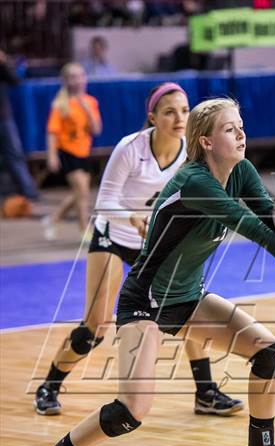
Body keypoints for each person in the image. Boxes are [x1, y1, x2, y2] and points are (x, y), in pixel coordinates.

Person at [27, 97, 275, 446]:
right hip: (146, 302)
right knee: (131, 411)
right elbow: (258, 235)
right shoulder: (195, 182)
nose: (241, 133)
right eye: (230, 129)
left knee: (269, 352)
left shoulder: (241, 172)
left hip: (187, 298)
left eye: (241, 125)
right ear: (206, 142)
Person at [35, 82, 243, 418]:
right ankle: (51, 383)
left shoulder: (192, 156)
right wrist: (132, 217)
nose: (179, 118)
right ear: (152, 117)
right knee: (97, 326)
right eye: (170, 112)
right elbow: (103, 203)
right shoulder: (131, 148)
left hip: (154, 242)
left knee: (187, 306)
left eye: (185, 110)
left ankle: (205, 392)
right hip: (114, 236)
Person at [42, 62, 102, 240]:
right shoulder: (60, 104)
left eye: (81, 76)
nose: (78, 80)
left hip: (83, 152)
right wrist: (52, 155)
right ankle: (85, 229)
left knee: (80, 192)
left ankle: (54, 219)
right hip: (67, 151)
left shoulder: (91, 102)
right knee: (82, 191)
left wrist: (87, 109)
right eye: (73, 77)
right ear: (66, 81)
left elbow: (96, 129)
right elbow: (52, 133)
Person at [0, 49, 39, 202]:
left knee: (15, 154)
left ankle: (29, 191)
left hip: (3, 117)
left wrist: (3, 64)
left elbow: (15, 80)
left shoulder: (1, 67)